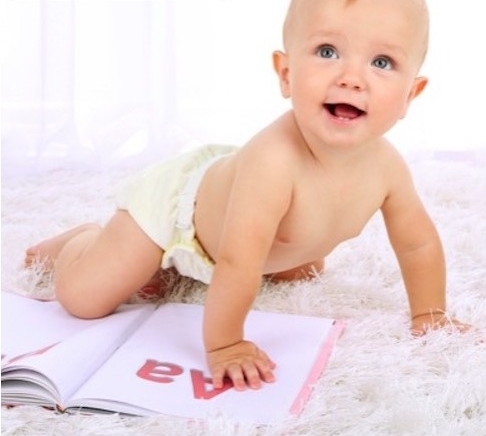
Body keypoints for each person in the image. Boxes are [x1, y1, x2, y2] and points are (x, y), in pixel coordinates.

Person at [25, 0, 469, 392]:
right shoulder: (272, 163)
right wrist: (225, 344)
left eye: (382, 62)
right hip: (179, 211)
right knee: (85, 299)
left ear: (410, 95)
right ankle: (80, 241)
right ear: (286, 74)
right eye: (327, 52)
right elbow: (238, 262)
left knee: (304, 267)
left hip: (244, 224)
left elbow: (417, 243)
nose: (352, 79)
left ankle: (157, 260)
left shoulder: (388, 167)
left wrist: (430, 313)